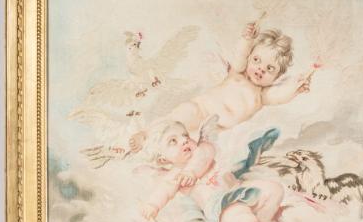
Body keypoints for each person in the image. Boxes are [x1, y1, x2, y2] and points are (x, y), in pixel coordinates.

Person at [129, 22, 313, 151]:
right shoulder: (238, 73)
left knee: (188, 148)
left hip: (216, 129)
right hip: (201, 110)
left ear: (277, 77)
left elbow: (281, 95)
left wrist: (296, 87)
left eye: (270, 68)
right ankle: (146, 134)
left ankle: (164, 156)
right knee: (176, 120)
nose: (260, 69)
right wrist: (247, 39)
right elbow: (241, 54)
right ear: (250, 57)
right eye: (257, 60)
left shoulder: (263, 96)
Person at [139, 119, 289, 222]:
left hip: (240, 188)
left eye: (185, 135)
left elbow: (203, 158)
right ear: (163, 159)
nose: (184, 140)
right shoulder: (175, 176)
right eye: (173, 141)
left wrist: (191, 172)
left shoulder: (202, 150)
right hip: (221, 208)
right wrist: (153, 205)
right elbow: (164, 191)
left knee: (274, 190)